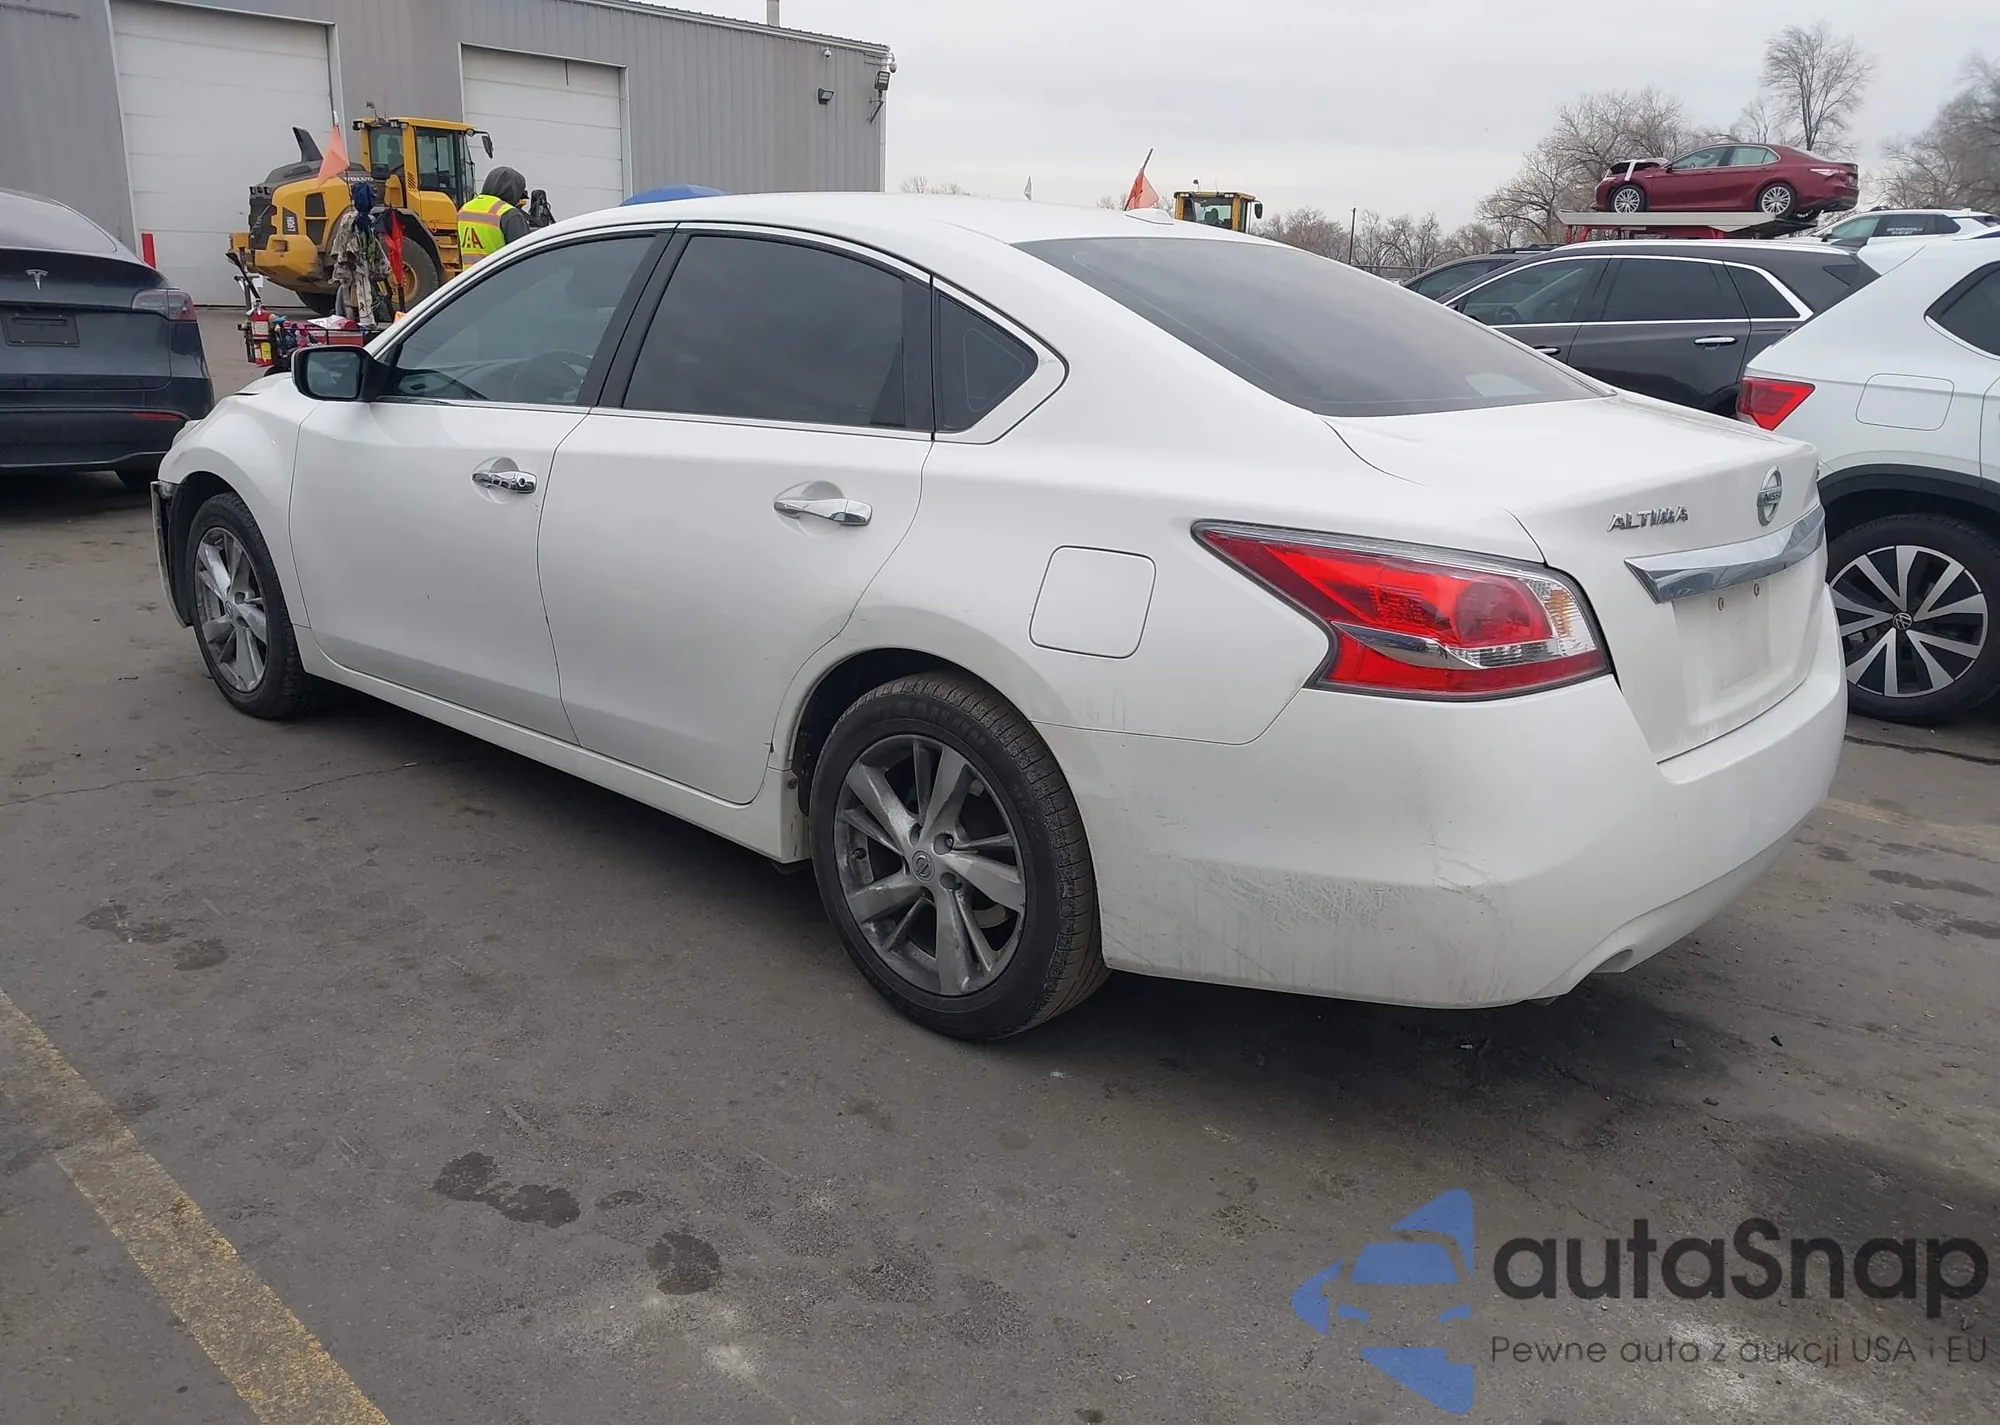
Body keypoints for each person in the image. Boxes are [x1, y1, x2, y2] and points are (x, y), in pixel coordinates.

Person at [456, 167, 532, 266]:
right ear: (512, 192)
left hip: (472, 275)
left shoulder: (464, 210)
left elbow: (461, 255)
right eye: (518, 196)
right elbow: (525, 259)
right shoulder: (508, 213)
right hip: (501, 275)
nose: (518, 201)